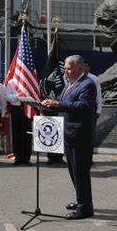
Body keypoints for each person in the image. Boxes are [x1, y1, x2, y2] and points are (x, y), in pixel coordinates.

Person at [41, 55, 96, 220]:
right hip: (69, 134)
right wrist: (49, 103)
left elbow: (84, 106)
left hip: (80, 136)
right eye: (65, 68)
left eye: (69, 68)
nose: (65, 72)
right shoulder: (70, 84)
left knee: (81, 172)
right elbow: (62, 101)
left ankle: (85, 208)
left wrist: (58, 104)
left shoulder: (87, 84)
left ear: (80, 69)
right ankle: (81, 199)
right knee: (73, 171)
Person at [6, 79, 32, 165]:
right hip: (16, 108)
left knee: (27, 133)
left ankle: (26, 157)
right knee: (16, 132)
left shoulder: (28, 78)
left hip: (27, 107)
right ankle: (18, 157)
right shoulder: (11, 82)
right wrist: (18, 96)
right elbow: (7, 97)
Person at [84, 61, 102, 164]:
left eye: (86, 66)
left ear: (89, 67)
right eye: (83, 65)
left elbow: (98, 95)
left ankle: (89, 159)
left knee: (90, 136)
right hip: (80, 112)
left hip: (91, 111)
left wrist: (98, 110)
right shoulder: (76, 77)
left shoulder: (94, 78)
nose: (84, 68)